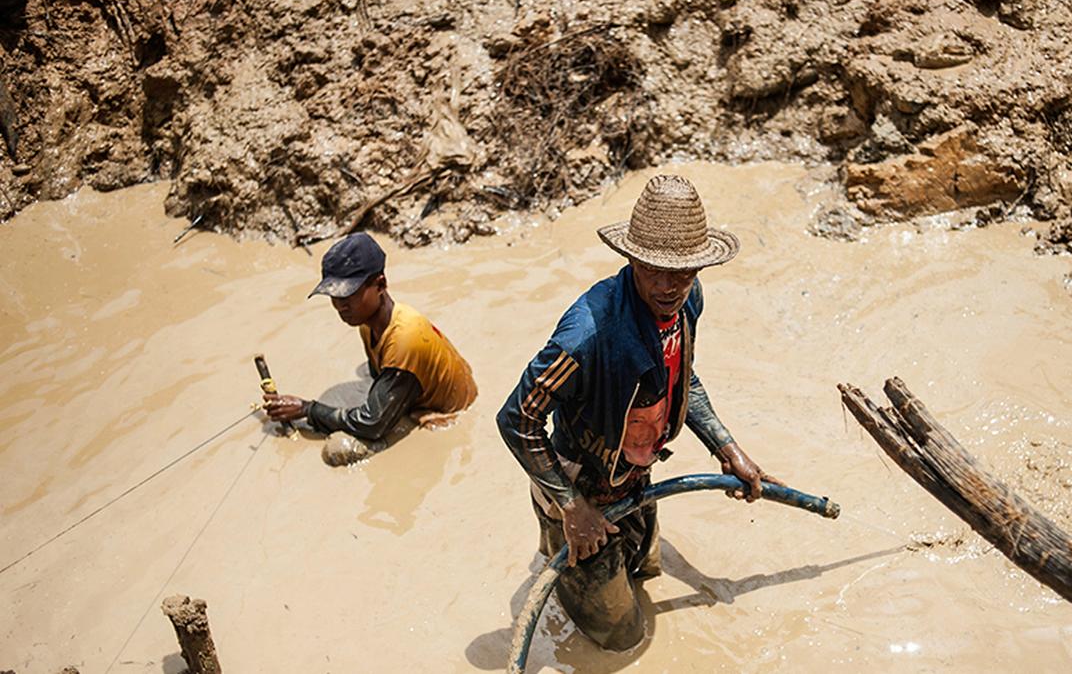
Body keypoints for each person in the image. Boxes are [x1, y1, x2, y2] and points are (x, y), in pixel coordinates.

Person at [497, 174, 781, 651]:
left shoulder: (688, 301)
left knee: (647, 572)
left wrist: (726, 447)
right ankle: (568, 564)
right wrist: (572, 506)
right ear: (631, 258)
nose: (670, 286)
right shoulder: (588, 334)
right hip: (582, 483)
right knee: (622, 638)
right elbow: (516, 419)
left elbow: (682, 378)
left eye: (685, 270)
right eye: (656, 270)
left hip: (633, 474)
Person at [263, 232, 477, 460]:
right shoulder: (369, 322)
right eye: (334, 296)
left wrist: (306, 409)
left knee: (339, 450)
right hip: (417, 393)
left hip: (448, 413)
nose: (339, 306)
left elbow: (372, 425)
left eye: (348, 295)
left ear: (380, 284)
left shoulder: (404, 339)